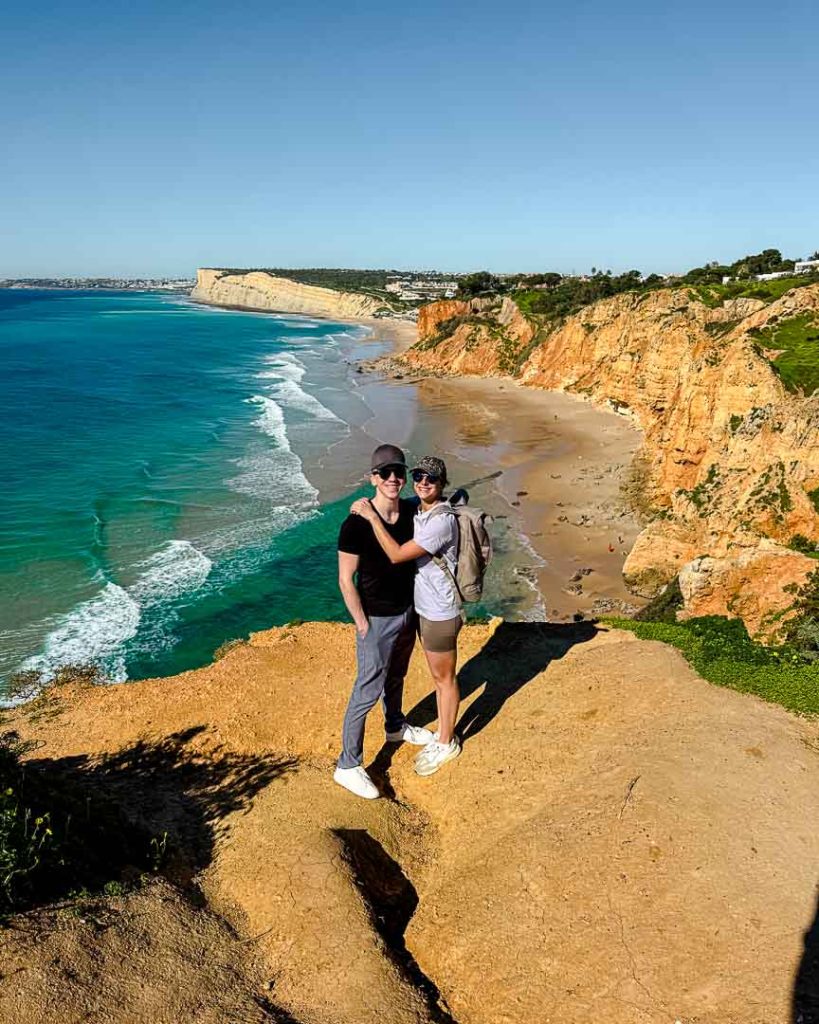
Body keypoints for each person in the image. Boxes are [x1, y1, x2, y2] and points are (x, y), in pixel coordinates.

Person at [351, 455, 462, 777]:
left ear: (442, 483)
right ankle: (419, 729)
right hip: (421, 609)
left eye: (431, 478)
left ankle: (446, 741)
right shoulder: (419, 509)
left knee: (444, 679)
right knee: (437, 677)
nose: (423, 483)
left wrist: (371, 517)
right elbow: (400, 498)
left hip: (440, 613)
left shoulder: (441, 521)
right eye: (418, 476)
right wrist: (372, 501)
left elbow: (398, 555)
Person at [334, 443, 434, 800]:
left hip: (407, 611)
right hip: (376, 617)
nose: (393, 479)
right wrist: (361, 621)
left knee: (397, 675)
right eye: (385, 473)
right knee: (367, 688)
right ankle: (348, 764)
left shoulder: (409, 511)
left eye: (399, 473)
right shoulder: (355, 524)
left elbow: (446, 501)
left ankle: (395, 726)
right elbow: (346, 579)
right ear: (373, 478)